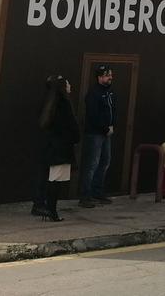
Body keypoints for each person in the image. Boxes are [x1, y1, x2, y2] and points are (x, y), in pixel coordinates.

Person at [37, 74, 80, 221]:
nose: (70, 86)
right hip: (61, 148)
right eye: (67, 84)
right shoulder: (63, 104)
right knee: (55, 180)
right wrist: (76, 138)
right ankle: (51, 210)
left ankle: (46, 207)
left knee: (51, 178)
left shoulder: (50, 103)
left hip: (52, 146)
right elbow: (71, 125)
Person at [80, 64, 115, 208]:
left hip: (107, 132)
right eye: (107, 75)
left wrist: (111, 125)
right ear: (99, 77)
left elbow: (113, 110)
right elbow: (93, 115)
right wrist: (104, 127)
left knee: (105, 161)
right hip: (95, 133)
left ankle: (97, 191)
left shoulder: (110, 93)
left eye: (110, 75)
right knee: (92, 164)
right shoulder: (94, 93)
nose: (110, 78)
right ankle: (85, 195)